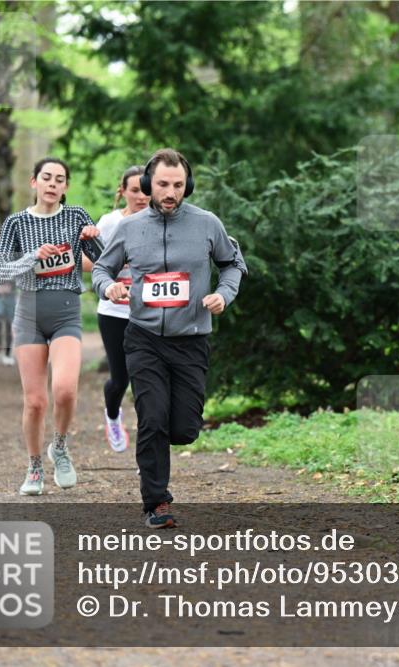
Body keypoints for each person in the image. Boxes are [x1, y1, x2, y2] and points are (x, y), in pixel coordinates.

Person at [93, 148, 247, 529]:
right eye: (162, 184)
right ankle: (156, 502)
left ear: (187, 186)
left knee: (183, 429)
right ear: (148, 184)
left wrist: (222, 295)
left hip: (191, 339)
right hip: (143, 338)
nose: (170, 192)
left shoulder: (207, 224)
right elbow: (101, 268)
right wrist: (109, 287)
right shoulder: (128, 229)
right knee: (153, 418)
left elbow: (232, 264)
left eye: (178, 185)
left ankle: (162, 459)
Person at [0, 157, 103, 496]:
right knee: (35, 401)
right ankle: (35, 465)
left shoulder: (77, 216)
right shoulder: (16, 223)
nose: (53, 184)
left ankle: (60, 446)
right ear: (34, 182)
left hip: (67, 310)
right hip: (29, 313)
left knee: (66, 389)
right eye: (47, 177)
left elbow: (105, 259)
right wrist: (31, 257)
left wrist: (93, 237)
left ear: (66, 186)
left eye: (59, 179)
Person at [93, 166, 150, 452]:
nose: (142, 197)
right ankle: (113, 415)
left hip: (150, 312)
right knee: (121, 378)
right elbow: (89, 264)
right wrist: (115, 264)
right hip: (114, 312)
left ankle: (148, 448)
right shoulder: (109, 222)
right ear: (123, 192)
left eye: (146, 190)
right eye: (135, 190)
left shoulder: (161, 222)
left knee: (147, 380)